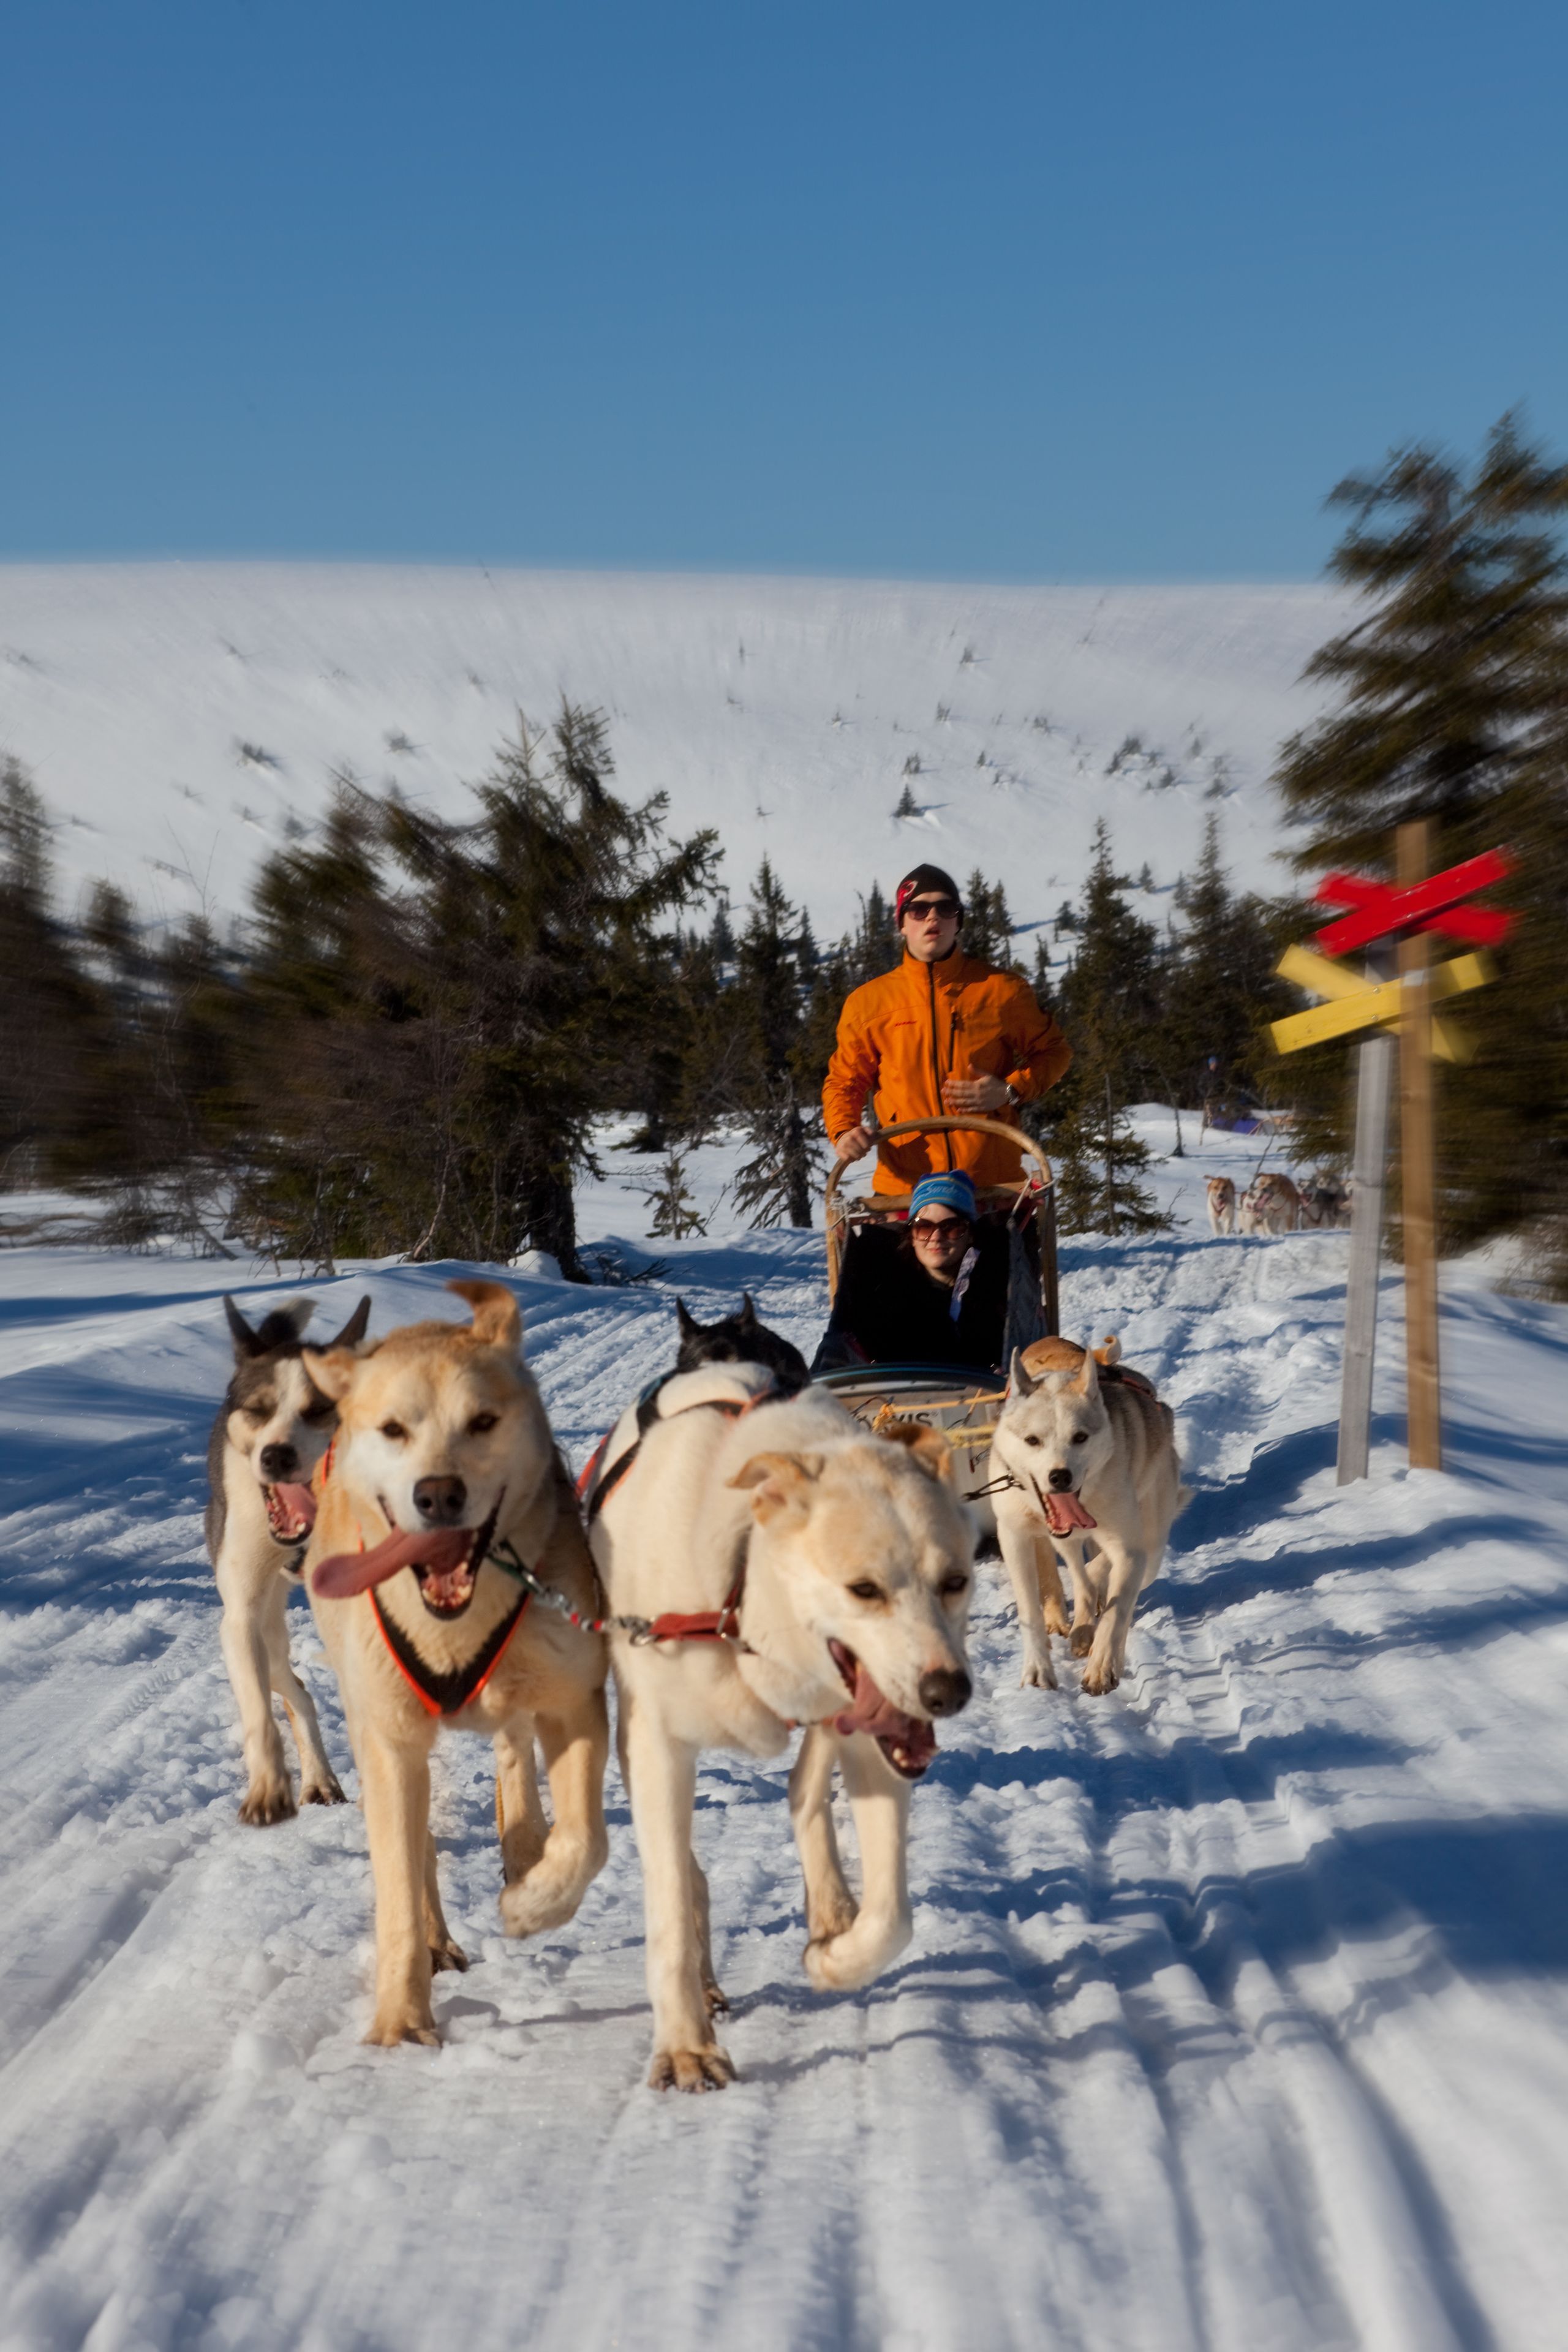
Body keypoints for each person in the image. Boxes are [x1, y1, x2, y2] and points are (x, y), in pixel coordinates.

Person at [822, 862, 1071, 1197]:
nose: (932, 917)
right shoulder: (869, 1004)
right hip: (905, 1191)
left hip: (993, 1188)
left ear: (958, 921)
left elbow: (1055, 1053)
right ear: (902, 923)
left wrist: (1011, 1090)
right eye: (919, 909)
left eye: (945, 907)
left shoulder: (1001, 990)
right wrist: (844, 1131)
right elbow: (844, 1081)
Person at [813, 1170, 1009, 1372]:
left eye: (952, 1227)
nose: (936, 1237)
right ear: (912, 1236)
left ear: (969, 1235)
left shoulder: (994, 1286)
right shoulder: (886, 1290)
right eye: (924, 1227)